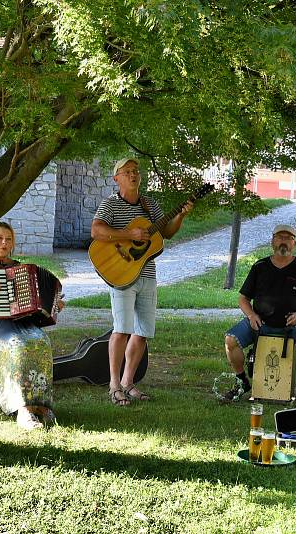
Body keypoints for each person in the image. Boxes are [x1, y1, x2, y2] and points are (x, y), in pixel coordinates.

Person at [91, 158, 192, 406]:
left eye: (135, 171)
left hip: (147, 274)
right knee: (122, 329)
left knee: (143, 332)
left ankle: (128, 382)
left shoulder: (149, 205)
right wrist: (129, 234)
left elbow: (165, 232)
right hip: (121, 275)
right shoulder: (110, 205)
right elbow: (97, 231)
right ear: (117, 178)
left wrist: (180, 216)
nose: (133, 175)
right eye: (127, 172)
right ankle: (114, 385)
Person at [0, 221, 63, 430]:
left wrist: (54, 303)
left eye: (8, 239)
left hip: (17, 322)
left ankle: (41, 405)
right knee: (18, 346)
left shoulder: (18, 268)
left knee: (41, 341)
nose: (4, 242)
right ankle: (24, 410)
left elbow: (31, 303)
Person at [223, 225, 296, 406]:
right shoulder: (259, 267)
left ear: (294, 243)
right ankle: (242, 382)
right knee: (231, 340)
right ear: (272, 241)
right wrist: (251, 315)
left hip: (294, 324)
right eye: (279, 237)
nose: (283, 241)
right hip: (260, 322)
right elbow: (243, 298)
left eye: (288, 238)